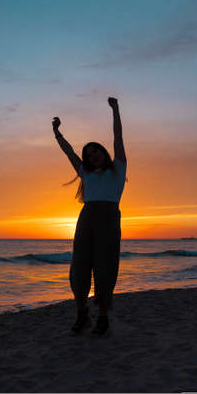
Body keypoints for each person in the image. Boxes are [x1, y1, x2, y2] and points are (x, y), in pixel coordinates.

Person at [52, 97, 127, 336]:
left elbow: (118, 137)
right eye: (89, 153)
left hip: (109, 219)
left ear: (103, 153)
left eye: (96, 151)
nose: (93, 155)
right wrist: (57, 133)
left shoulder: (118, 168)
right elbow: (69, 153)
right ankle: (82, 313)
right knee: (80, 266)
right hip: (87, 218)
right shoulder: (85, 172)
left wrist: (115, 110)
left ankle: (103, 316)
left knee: (105, 268)